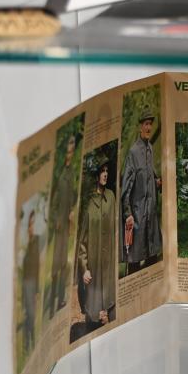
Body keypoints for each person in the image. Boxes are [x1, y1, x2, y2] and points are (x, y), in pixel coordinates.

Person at [78, 158, 117, 333]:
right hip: (94, 264)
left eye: (107, 171)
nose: (105, 174)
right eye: (102, 171)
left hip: (109, 263)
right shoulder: (88, 203)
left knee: (111, 310)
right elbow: (82, 240)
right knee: (92, 316)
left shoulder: (111, 196)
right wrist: (84, 268)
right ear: (96, 175)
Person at [121, 107, 162, 273]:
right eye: (146, 124)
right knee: (134, 261)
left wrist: (157, 182)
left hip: (151, 214)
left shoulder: (149, 148)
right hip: (137, 216)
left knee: (152, 257)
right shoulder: (133, 152)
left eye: (151, 124)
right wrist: (128, 213)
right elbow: (127, 186)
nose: (149, 128)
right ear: (140, 127)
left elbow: (148, 175)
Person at [49, 134, 77, 313]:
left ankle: (59, 300)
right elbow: (53, 204)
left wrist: (72, 209)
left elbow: (72, 196)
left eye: (72, 151)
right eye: (68, 151)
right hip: (59, 227)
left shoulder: (71, 172)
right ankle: (53, 302)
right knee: (55, 265)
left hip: (66, 226)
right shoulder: (60, 174)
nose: (70, 154)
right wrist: (56, 220)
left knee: (62, 264)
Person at [20, 210, 40, 353]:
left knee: (31, 314)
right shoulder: (27, 244)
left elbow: (37, 266)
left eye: (33, 224)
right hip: (26, 283)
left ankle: (31, 342)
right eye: (30, 224)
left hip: (32, 283)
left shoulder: (36, 241)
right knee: (29, 313)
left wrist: (37, 290)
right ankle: (28, 343)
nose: (31, 227)